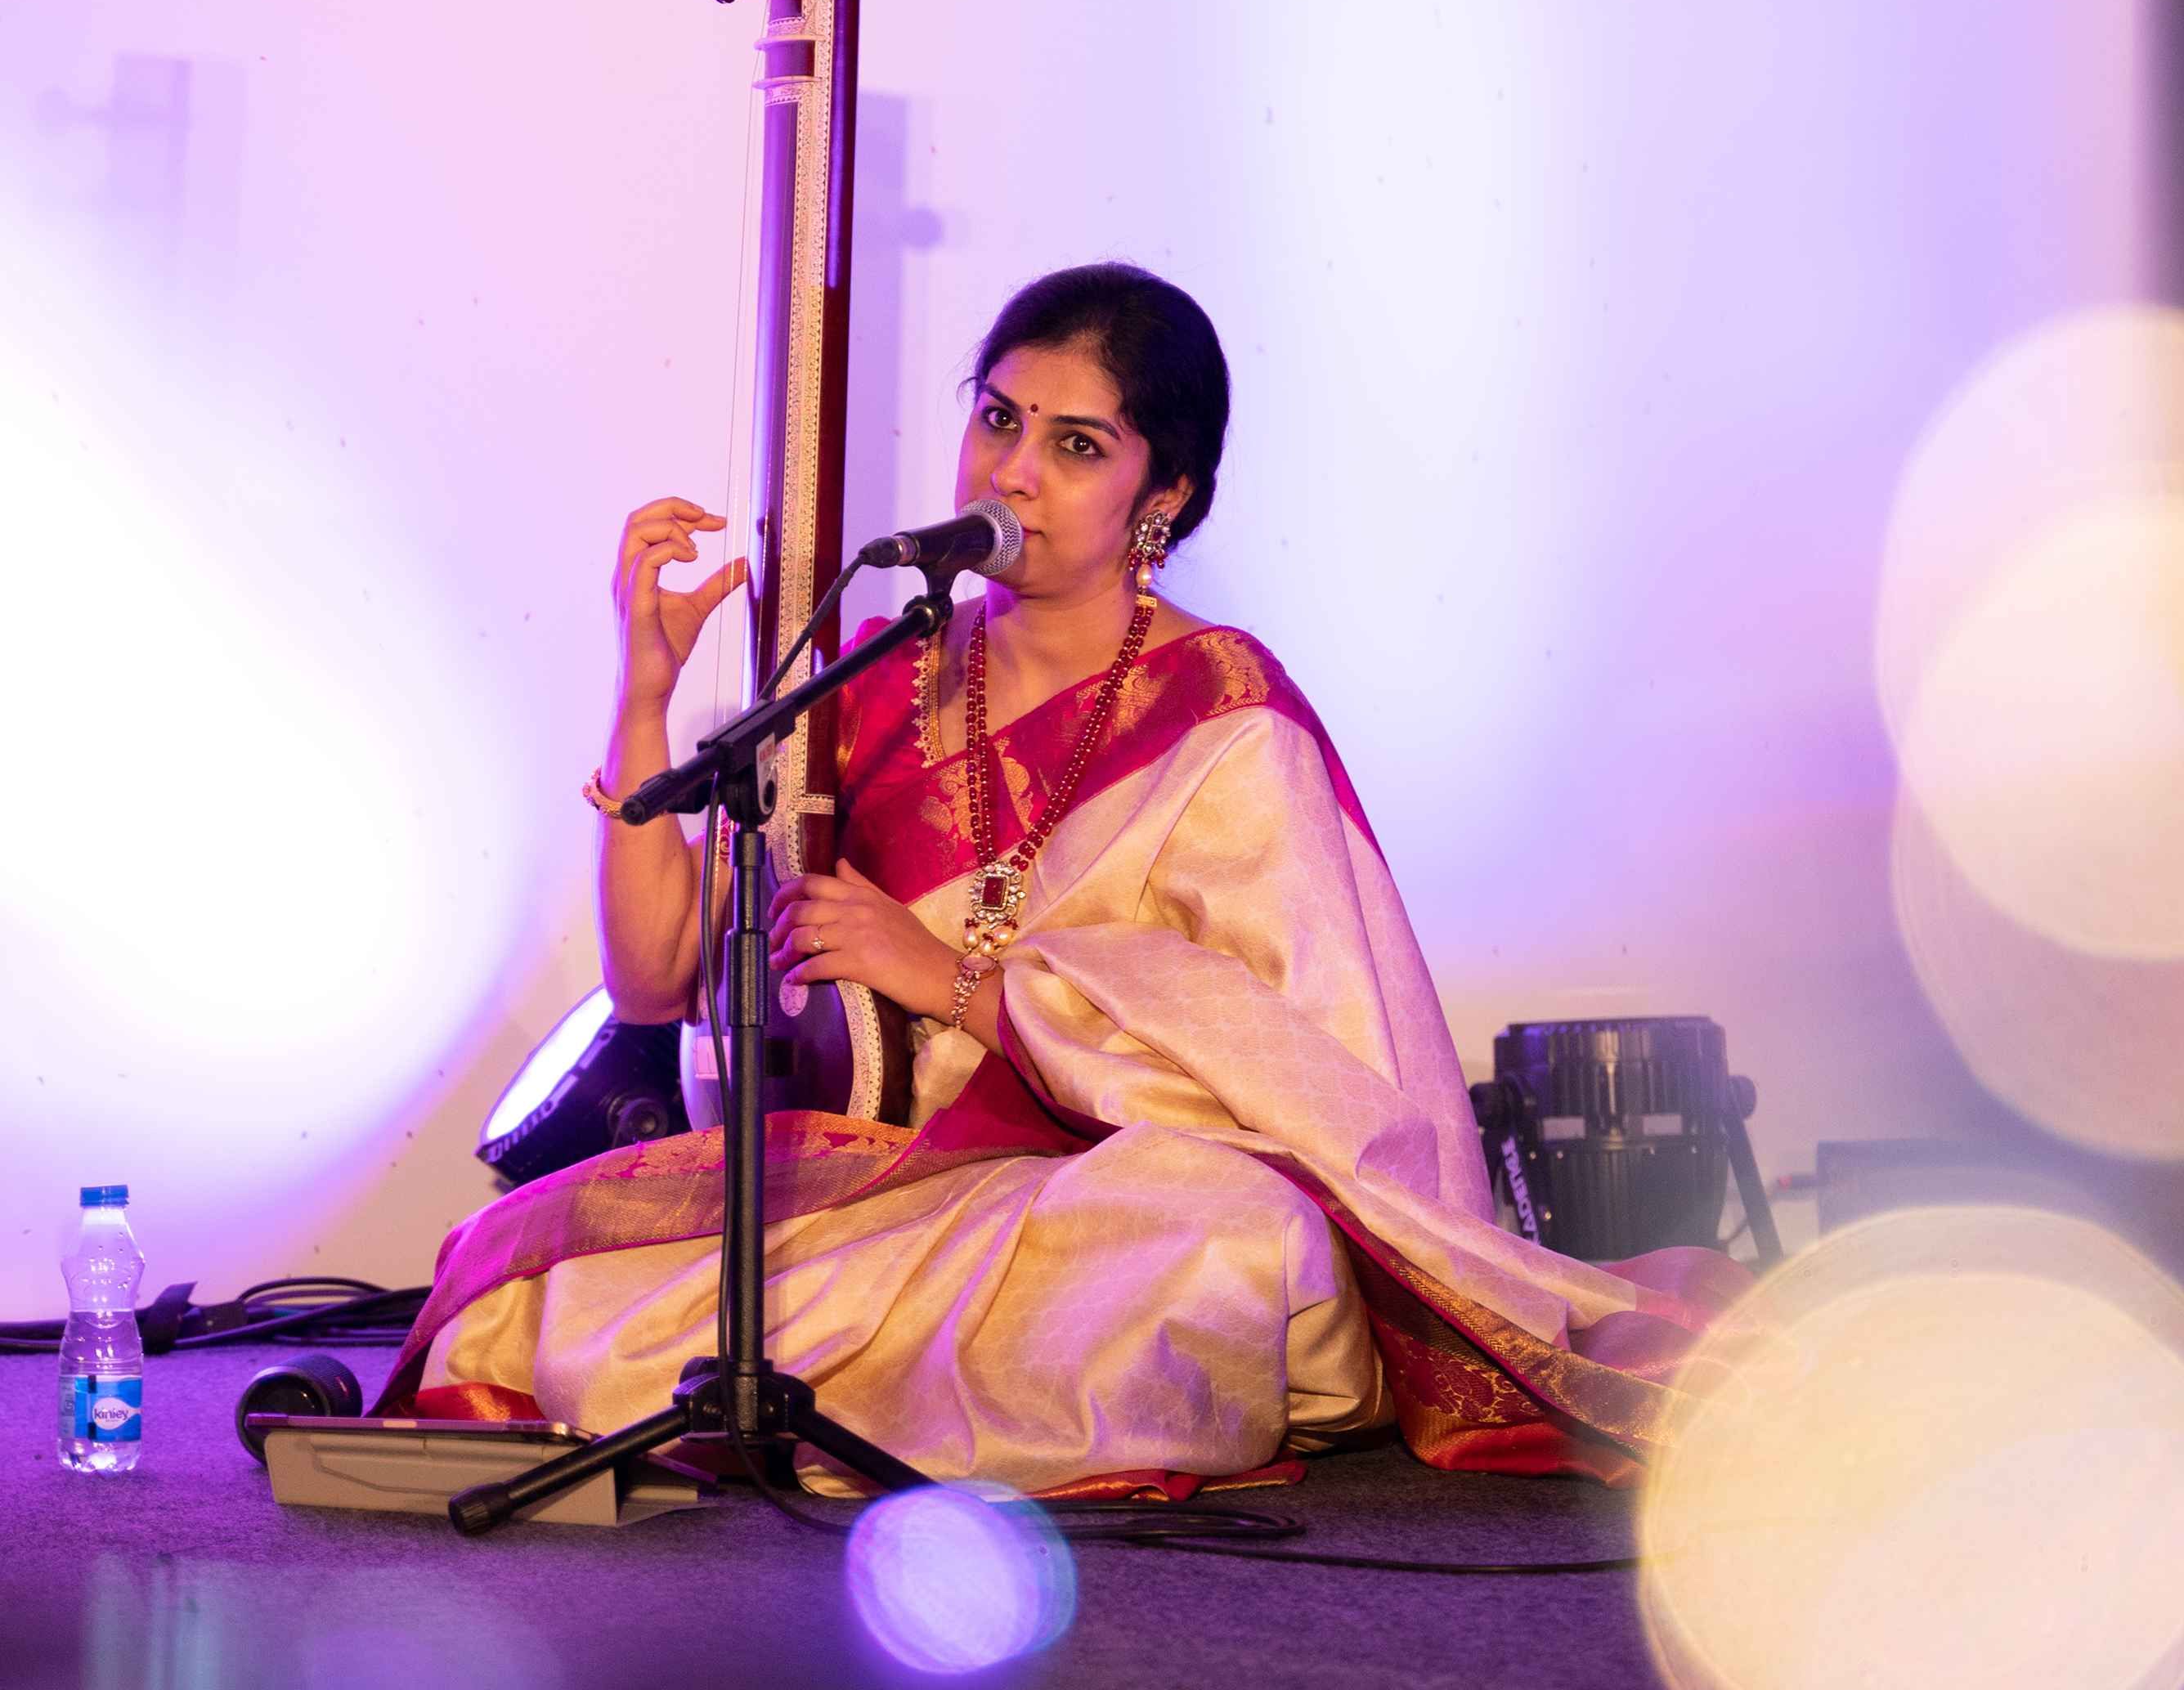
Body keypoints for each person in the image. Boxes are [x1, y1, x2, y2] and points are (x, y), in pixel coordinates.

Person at [379, 263, 1733, 1493]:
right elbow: (651, 978)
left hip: (1120, 1196)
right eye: (998, 418)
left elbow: (1310, 1088)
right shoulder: (873, 681)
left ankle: (907, 1392)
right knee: (529, 1291)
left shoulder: (1224, 714)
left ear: (1165, 495)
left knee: (1221, 1246)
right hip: (895, 1193)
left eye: (1076, 444)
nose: (1012, 472)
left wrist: (959, 984)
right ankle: (893, 1392)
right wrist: (646, 692)